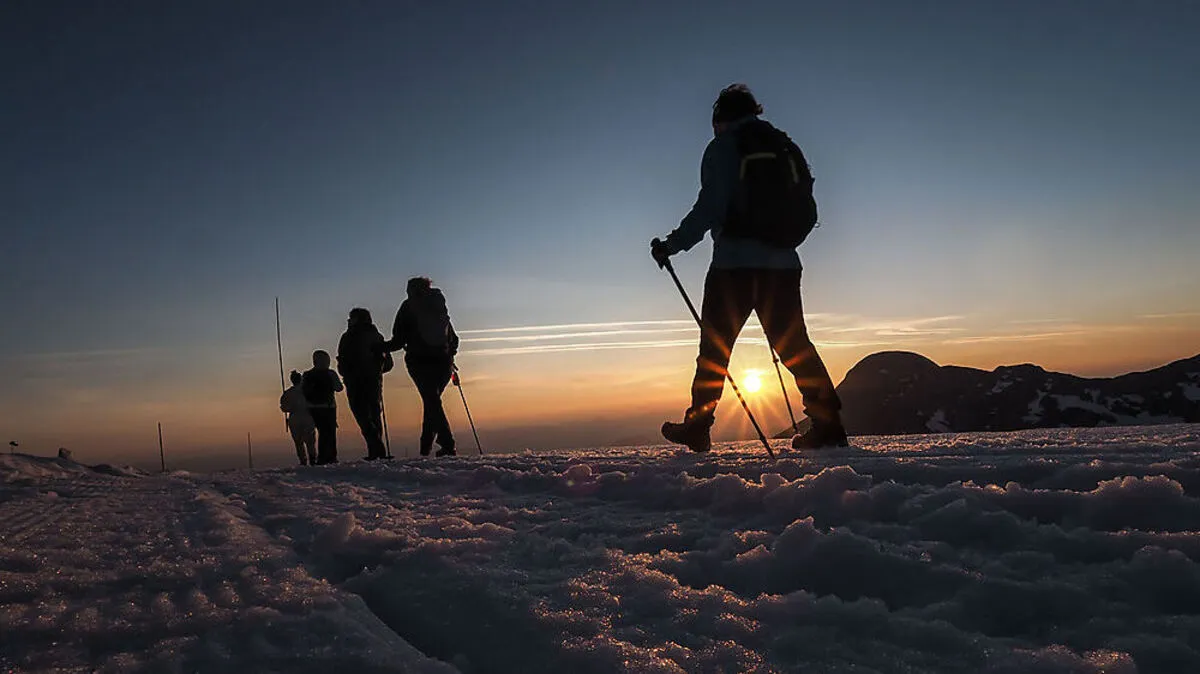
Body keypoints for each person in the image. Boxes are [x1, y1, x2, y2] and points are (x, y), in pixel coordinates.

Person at [650, 83, 848, 453]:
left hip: (734, 268)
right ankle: (829, 424)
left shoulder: (724, 148)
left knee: (715, 351)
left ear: (719, 118)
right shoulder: (784, 145)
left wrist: (671, 244)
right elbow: (808, 206)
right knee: (795, 346)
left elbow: (710, 207)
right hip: (784, 265)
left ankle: (699, 426)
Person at [383, 277, 459, 456]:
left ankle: (447, 444)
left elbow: (398, 340)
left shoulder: (408, 307)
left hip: (419, 361)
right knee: (432, 402)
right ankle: (426, 448)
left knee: (431, 401)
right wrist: (449, 353)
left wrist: (379, 347)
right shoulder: (438, 307)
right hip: (443, 362)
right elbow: (454, 339)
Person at [337, 307, 393, 461]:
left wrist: (346, 372)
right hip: (374, 380)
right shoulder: (377, 336)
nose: (348, 321)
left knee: (361, 415)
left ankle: (376, 448)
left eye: (351, 318)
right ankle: (375, 451)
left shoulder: (348, 337)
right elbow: (388, 364)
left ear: (356, 319)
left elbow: (343, 362)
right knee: (375, 415)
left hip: (355, 381)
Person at [302, 349, 344, 464]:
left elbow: (303, 391)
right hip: (328, 407)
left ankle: (321, 458)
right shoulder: (330, 373)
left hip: (312, 409)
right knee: (329, 433)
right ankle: (329, 457)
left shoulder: (307, 375)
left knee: (321, 432)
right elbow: (339, 388)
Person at [280, 370, 317, 466]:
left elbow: (284, 407)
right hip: (308, 417)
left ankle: (303, 461)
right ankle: (313, 460)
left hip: (294, 419)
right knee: (310, 441)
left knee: (298, 442)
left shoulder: (287, 393)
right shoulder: (308, 391)